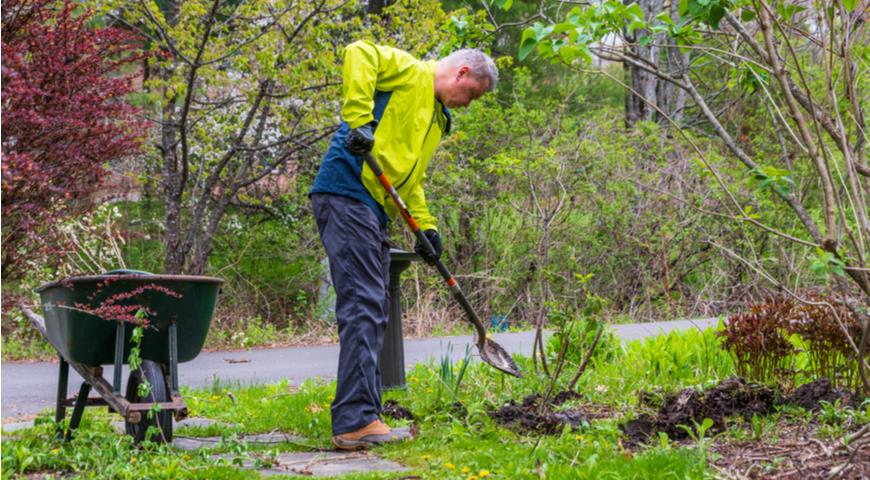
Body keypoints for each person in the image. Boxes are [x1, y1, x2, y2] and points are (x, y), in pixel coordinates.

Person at [309, 40, 498, 450]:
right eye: (472, 96)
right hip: (347, 190)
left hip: (373, 206)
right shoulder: (409, 71)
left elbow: (410, 179)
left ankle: (363, 416)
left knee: (373, 306)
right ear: (462, 74)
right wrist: (359, 120)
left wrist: (425, 228)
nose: (468, 105)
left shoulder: (435, 116)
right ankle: (354, 420)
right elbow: (359, 51)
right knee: (364, 304)